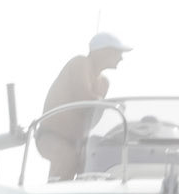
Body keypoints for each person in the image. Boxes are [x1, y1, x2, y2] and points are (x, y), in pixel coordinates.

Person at [35, 32, 131, 182]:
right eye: (117, 52)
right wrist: (110, 105)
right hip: (51, 136)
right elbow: (84, 99)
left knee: (95, 162)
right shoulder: (80, 62)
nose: (121, 57)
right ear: (102, 51)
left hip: (78, 142)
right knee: (66, 158)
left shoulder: (104, 83)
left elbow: (92, 116)